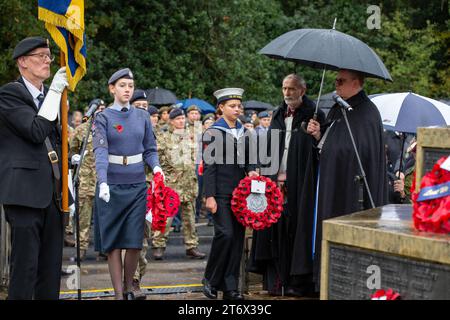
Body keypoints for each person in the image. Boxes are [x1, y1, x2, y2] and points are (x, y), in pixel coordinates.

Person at [0, 36, 69, 299]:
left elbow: (56, 146)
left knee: (49, 270)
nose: (47, 60)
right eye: (40, 55)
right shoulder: (9, 94)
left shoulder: (49, 100)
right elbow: (35, 131)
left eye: (48, 55)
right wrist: (54, 94)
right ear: (22, 62)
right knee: (25, 268)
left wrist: (67, 187)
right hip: (24, 193)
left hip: (52, 193)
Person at [307, 69, 388, 289]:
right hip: (333, 181)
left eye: (341, 81)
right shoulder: (337, 108)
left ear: (356, 83)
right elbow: (330, 142)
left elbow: (363, 150)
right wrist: (318, 135)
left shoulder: (368, 112)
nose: (336, 85)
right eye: (336, 81)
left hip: (355, 187)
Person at [248, 74, 325, 297]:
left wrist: (317, 134)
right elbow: (270, 146)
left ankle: (298, 282)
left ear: (303, 90)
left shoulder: (315, 113)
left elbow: (321, 149)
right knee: (275, 230)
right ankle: (276, 281)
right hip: (275, 182)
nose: (287, 93)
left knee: (296, 230)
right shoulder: (279, 114)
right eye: (284, 88)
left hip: (301, 185)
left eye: (291, 89)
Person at [92, 68, 164, 300]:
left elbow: (150, 149)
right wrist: (102, 181)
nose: (127, 90)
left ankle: (128, 286)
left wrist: (156, 167)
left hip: (136, 185)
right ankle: (118, 294)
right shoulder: (102, 118)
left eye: (130, 86)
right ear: (112, 88)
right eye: (122, 85)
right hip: (111, 185)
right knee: (113, 242)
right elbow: (101, 152)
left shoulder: (142, 117)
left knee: (134, 241)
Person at [202, 88, 259, 300]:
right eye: (232, 106)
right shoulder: (213, 132)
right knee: (224, 234)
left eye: (239, 106)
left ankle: (230, 287)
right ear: (221, 108)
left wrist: (252, 169)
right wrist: (209, 196)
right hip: (220, 193)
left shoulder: (244, 132)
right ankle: (210, 279)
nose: (237, 110)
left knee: (236, 239)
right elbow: (209, 166)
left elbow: (250, 157)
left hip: (240, 194)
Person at [151, 108, 206, 260]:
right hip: (172, 184)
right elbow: (158, 158)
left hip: (189, 182)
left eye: (183, 118)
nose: (181, 121)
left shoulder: (192, 136)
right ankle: (159, 245)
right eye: (178, 119)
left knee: (190, 218)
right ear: (171, 121)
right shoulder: (164, 137)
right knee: (166, 217)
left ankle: (191, 246)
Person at [69, 98, 106, 261]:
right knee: (83, 217)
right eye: (97, 108)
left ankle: (105, 248)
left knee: (105, 217)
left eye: (104, 108)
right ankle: (81, 248)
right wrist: (74, 157)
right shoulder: (81, 130)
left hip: (104, 180)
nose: (101, 111)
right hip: (85, 180)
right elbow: (70, 151)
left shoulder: (110, 129)